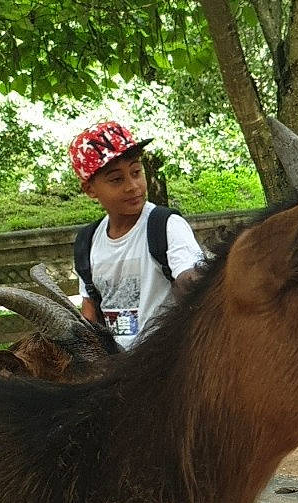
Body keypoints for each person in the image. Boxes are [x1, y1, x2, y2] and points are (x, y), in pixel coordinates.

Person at [68, 120, 205, 350]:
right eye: (116, 179)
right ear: (90, 189)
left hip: (166, 363)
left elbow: (189, 279)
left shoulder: (166, 226)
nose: (133, 186)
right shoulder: (88, 242)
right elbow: (90, 311)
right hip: (116, 369)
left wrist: (200, 281)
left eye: (136, 172)